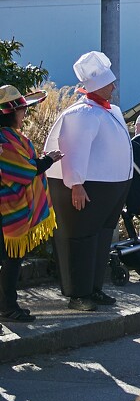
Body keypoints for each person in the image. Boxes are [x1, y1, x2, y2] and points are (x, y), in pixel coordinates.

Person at [44, 51, 135, 308]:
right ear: (97, 85)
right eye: (110, 83)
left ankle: (94, 288)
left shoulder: (111, 110)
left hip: (111, 187)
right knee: (80, 237)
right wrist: (76, 184)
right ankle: (78, 294)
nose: (114, 87)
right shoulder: (82, 113)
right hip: (87, 186)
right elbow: (73, 148)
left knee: (101, 237)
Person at [1, 85, 56, 323]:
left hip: (8, 209)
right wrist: (47, 160)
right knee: (11, 261)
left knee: (10, 261)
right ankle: (8, 307)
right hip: (7, 211)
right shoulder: (5, 140)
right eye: (21, 109)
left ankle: (7, 305)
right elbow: (23, 171)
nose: (24, 114)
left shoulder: (11, 137)